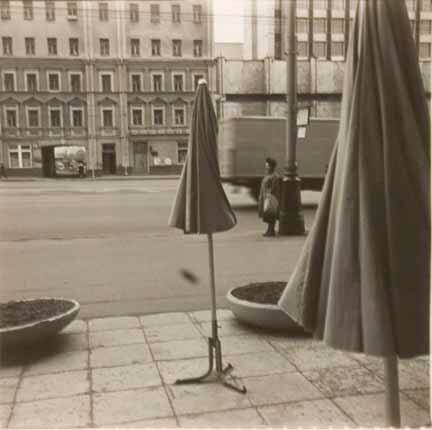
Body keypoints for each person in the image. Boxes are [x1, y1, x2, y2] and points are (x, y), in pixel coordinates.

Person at [258, 157, 280, 237]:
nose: (266, 167)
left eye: (267, 165)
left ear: (271, 166)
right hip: (266, 197)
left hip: (271, 197)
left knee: (271, 214)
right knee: (268, 214)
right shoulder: (269, 175)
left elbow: (273, 188)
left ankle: (271, 231)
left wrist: (268, 195)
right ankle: (269, 230)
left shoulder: (274, 176)